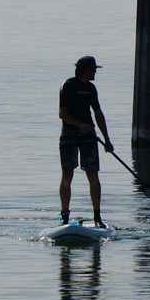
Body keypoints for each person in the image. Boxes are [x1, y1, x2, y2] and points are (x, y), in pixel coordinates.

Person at [58, 56, 113, 227]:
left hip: (88, 135)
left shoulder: (91, 88)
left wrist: (107, 140)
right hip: (69, 133)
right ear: (86, 70)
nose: (95, 72)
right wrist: (80, 125)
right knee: (67, 174)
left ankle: (97, 217)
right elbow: (62, 114)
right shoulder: (68, 86)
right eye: (94, 69)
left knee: (93, 175)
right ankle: (64, 217)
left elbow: (98, 113)